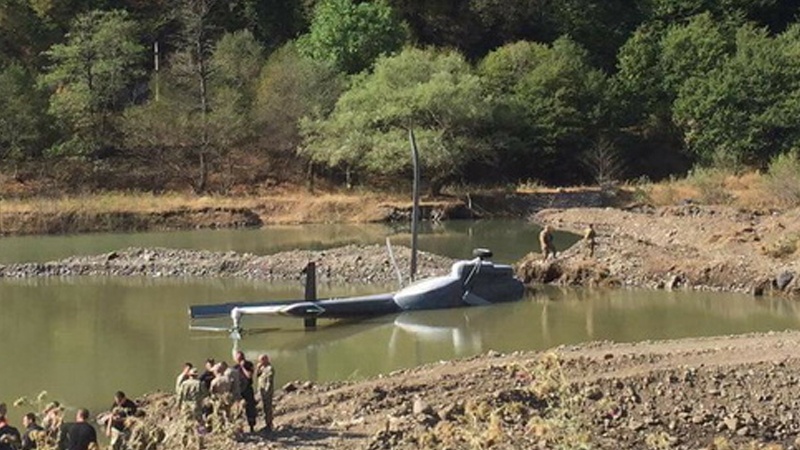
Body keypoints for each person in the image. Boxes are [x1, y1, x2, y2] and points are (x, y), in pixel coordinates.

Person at [234, 351, 257, 433]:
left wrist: (243, 367)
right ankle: (239, 427)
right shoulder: (235, 367)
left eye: (241, 358)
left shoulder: (249, 365)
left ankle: (251, 427)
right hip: (239, 390)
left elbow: (249, 376)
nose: (239, 360)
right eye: (238, 359)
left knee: (250, 408)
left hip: (247, 389)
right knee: (237, 409)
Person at [256, 354, 275, 433]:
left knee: (268, 408)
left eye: (261, 360)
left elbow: (269, 381)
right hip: (262, 390)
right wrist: (258, 368)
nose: (260, 362)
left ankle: (269, 425)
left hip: (267, 391)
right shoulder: (261, 367)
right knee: (264, 407)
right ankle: (267, 424)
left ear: (266, 360)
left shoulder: (270, 368)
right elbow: (257, 376)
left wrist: (267, 391)